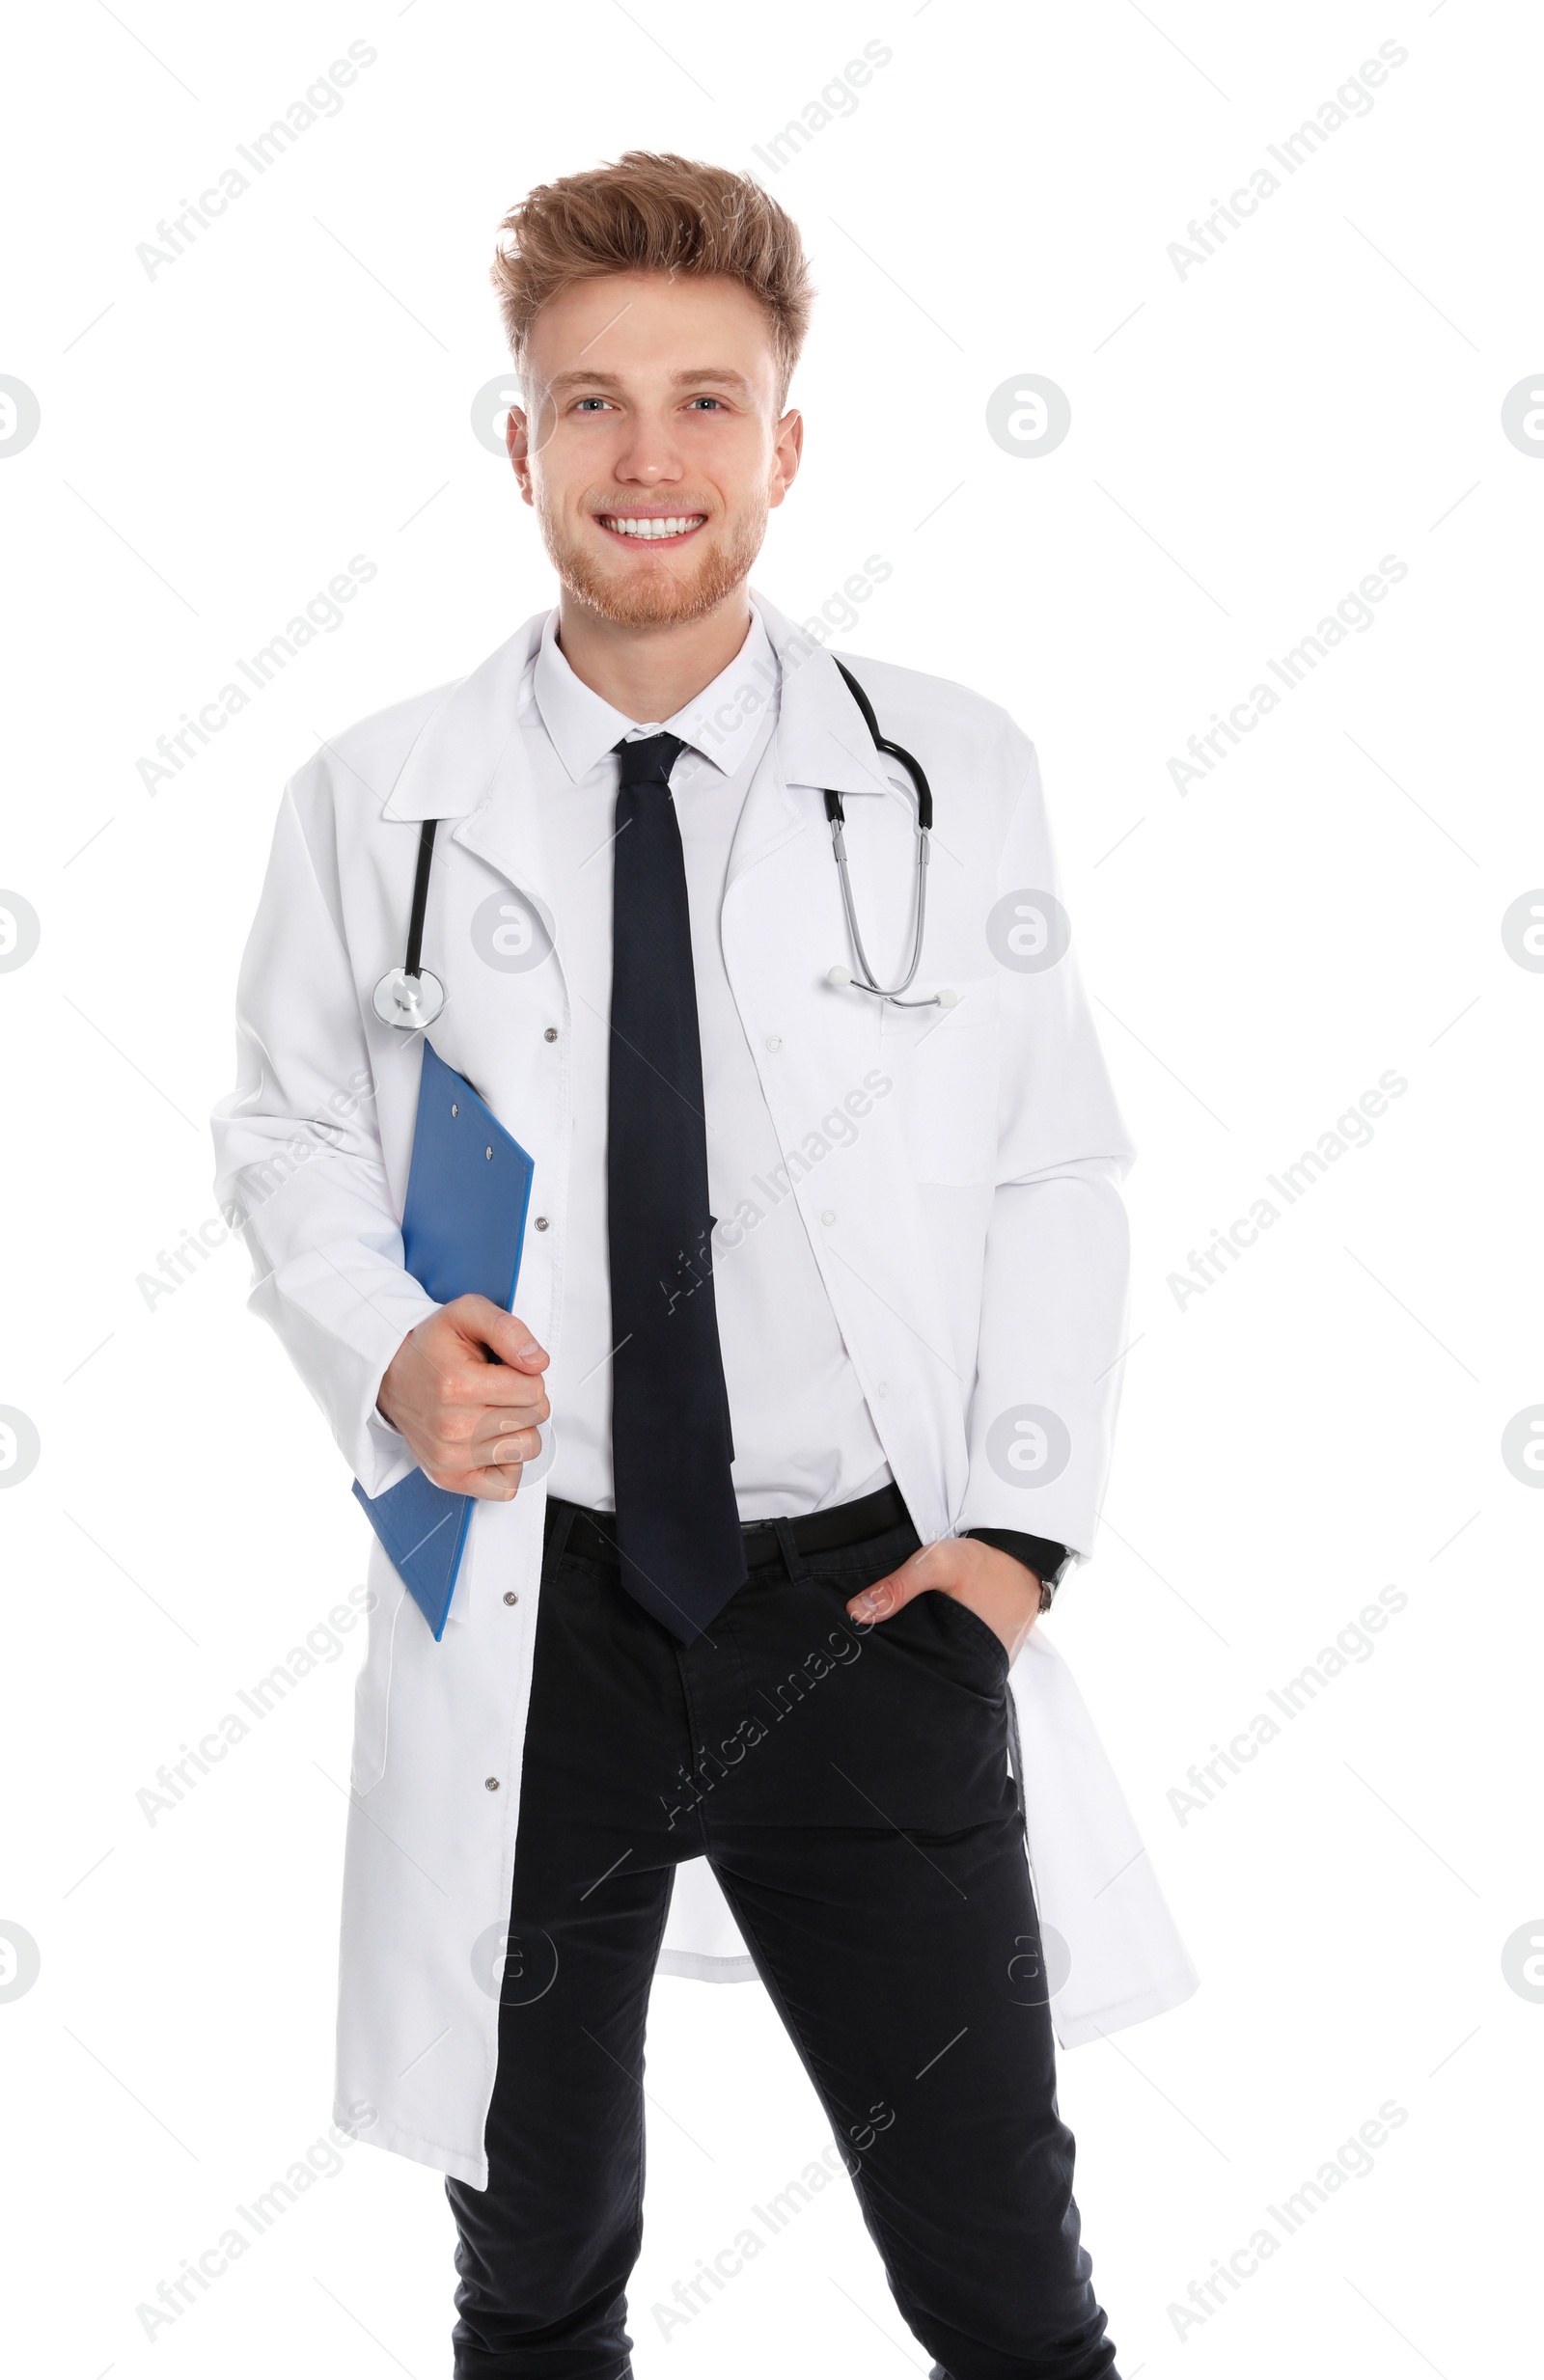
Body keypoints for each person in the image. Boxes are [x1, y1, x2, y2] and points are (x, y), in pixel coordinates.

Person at [212, 149, 1194, 2380]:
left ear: (784, 439)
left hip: (864, 1603)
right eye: (587, 403)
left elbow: (1058, 1162)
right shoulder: (375, 797)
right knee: (535, 2271)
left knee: (1004, 2287)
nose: (644, 458)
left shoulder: (948, 771)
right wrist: (379, 1353)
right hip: (535, 1611)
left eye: (701, 401)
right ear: (520, 439)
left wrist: (1014, 1540)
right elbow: (284, 1130)